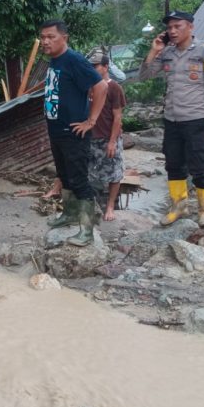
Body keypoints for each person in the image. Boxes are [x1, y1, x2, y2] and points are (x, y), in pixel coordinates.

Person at [139, 10, 204, 228]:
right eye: (169, 28)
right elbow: (145, 75)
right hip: (171, 119)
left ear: (190, 27)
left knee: (199, 164)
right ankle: (179, 206)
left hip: (196, 119)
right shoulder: (167, 53)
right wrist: (154, 50)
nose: (172, 31)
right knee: (173, 164)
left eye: (177, 26)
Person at [41, 20, 108, 246]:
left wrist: (91, 121)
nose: (46, 41)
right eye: (43, 37)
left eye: (51, 36)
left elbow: (101, 87)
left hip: (74, 133)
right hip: (57, 130)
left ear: (64, 38)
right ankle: (68, 214)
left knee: (79, 180)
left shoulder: (74, 60)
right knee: (64, 175)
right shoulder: (55, 61)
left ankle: (87, 230)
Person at [85, 46, 127, 221]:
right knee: (89, 173)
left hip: (108, 137)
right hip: (90, 137)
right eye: (90, 66)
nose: (92, 69)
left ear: (105, 67)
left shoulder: (114, 87)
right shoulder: (88, 87)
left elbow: (117, 117)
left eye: (95, 66)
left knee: (114, 173)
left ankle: (110, 207)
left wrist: (112, 141)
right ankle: (92, 205)